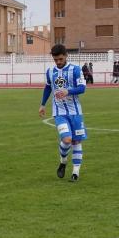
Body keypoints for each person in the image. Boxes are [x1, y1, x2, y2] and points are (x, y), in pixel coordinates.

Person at [39, 44, 87, 182]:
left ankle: (75, 173)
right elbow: (48, 87)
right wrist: (42, 105)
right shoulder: (50, 71)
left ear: (66, 55)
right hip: (59, 112)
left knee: (77, 141)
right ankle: (63, 161)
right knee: (67, 140)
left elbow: (82, 88)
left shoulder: (75, 70)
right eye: (55, 60)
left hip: (75, 112)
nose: (58, 62)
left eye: (60, 59)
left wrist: (68, 91)